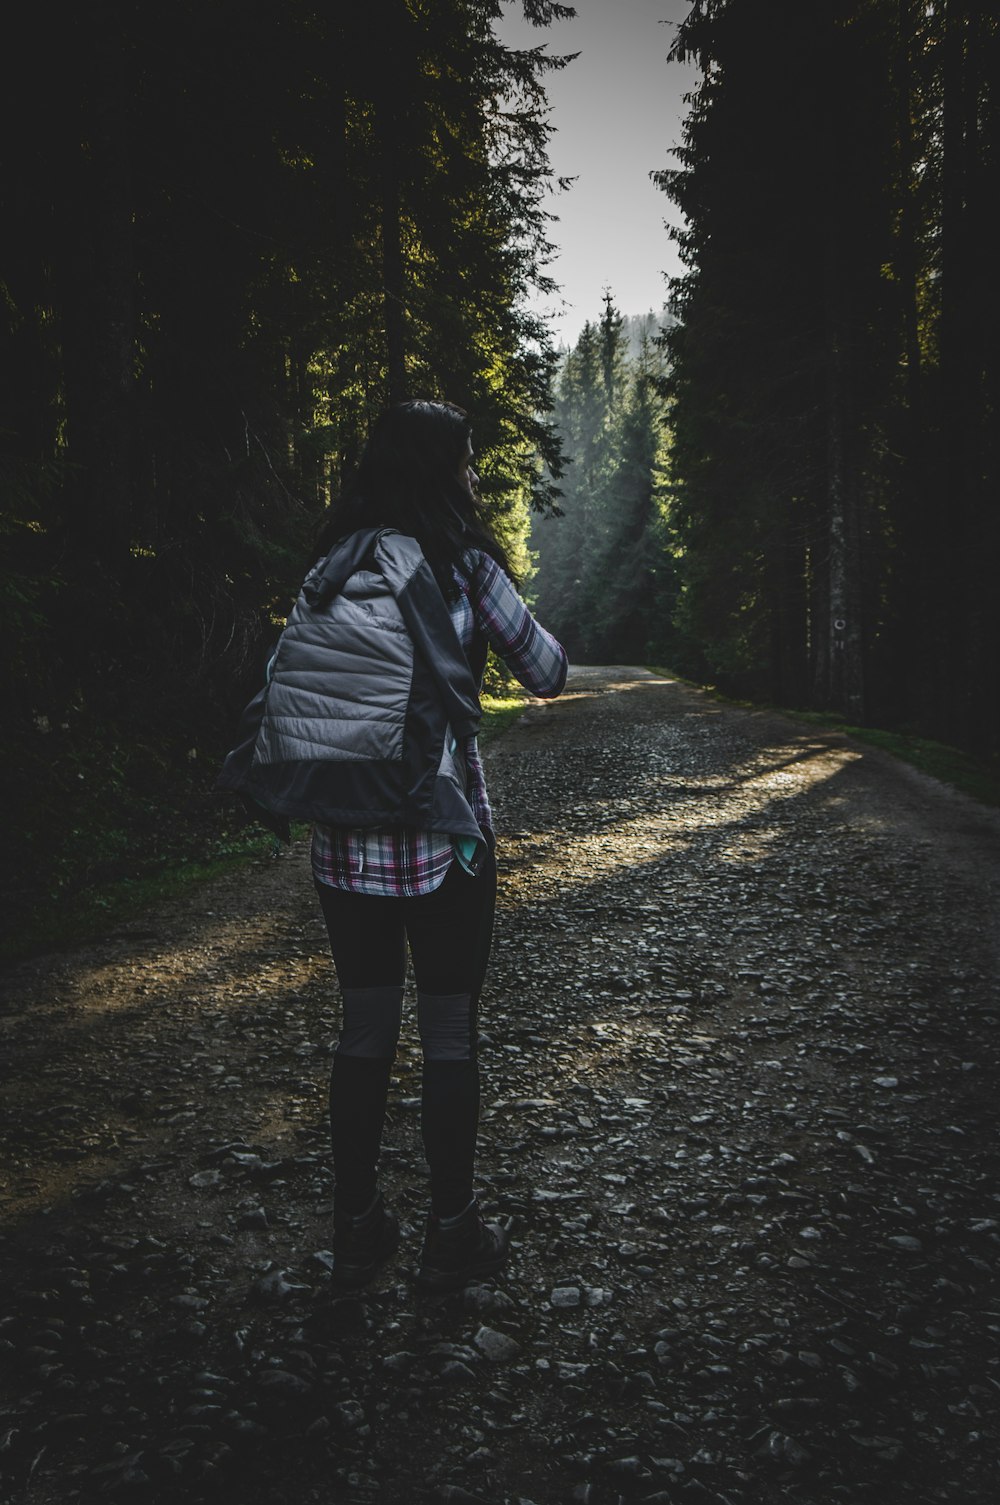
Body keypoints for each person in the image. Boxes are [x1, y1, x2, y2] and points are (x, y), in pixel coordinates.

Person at [306, 400, 566, 1291]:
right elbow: (547, 672)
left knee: (365, 1029)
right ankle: (451, 1232)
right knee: (449, 1035)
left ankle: (355, 1230)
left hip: (343, 851)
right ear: (442, 470)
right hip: (444, 842)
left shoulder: (333, 564)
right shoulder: (464, 567)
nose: (471, 477)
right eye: (465, 462)